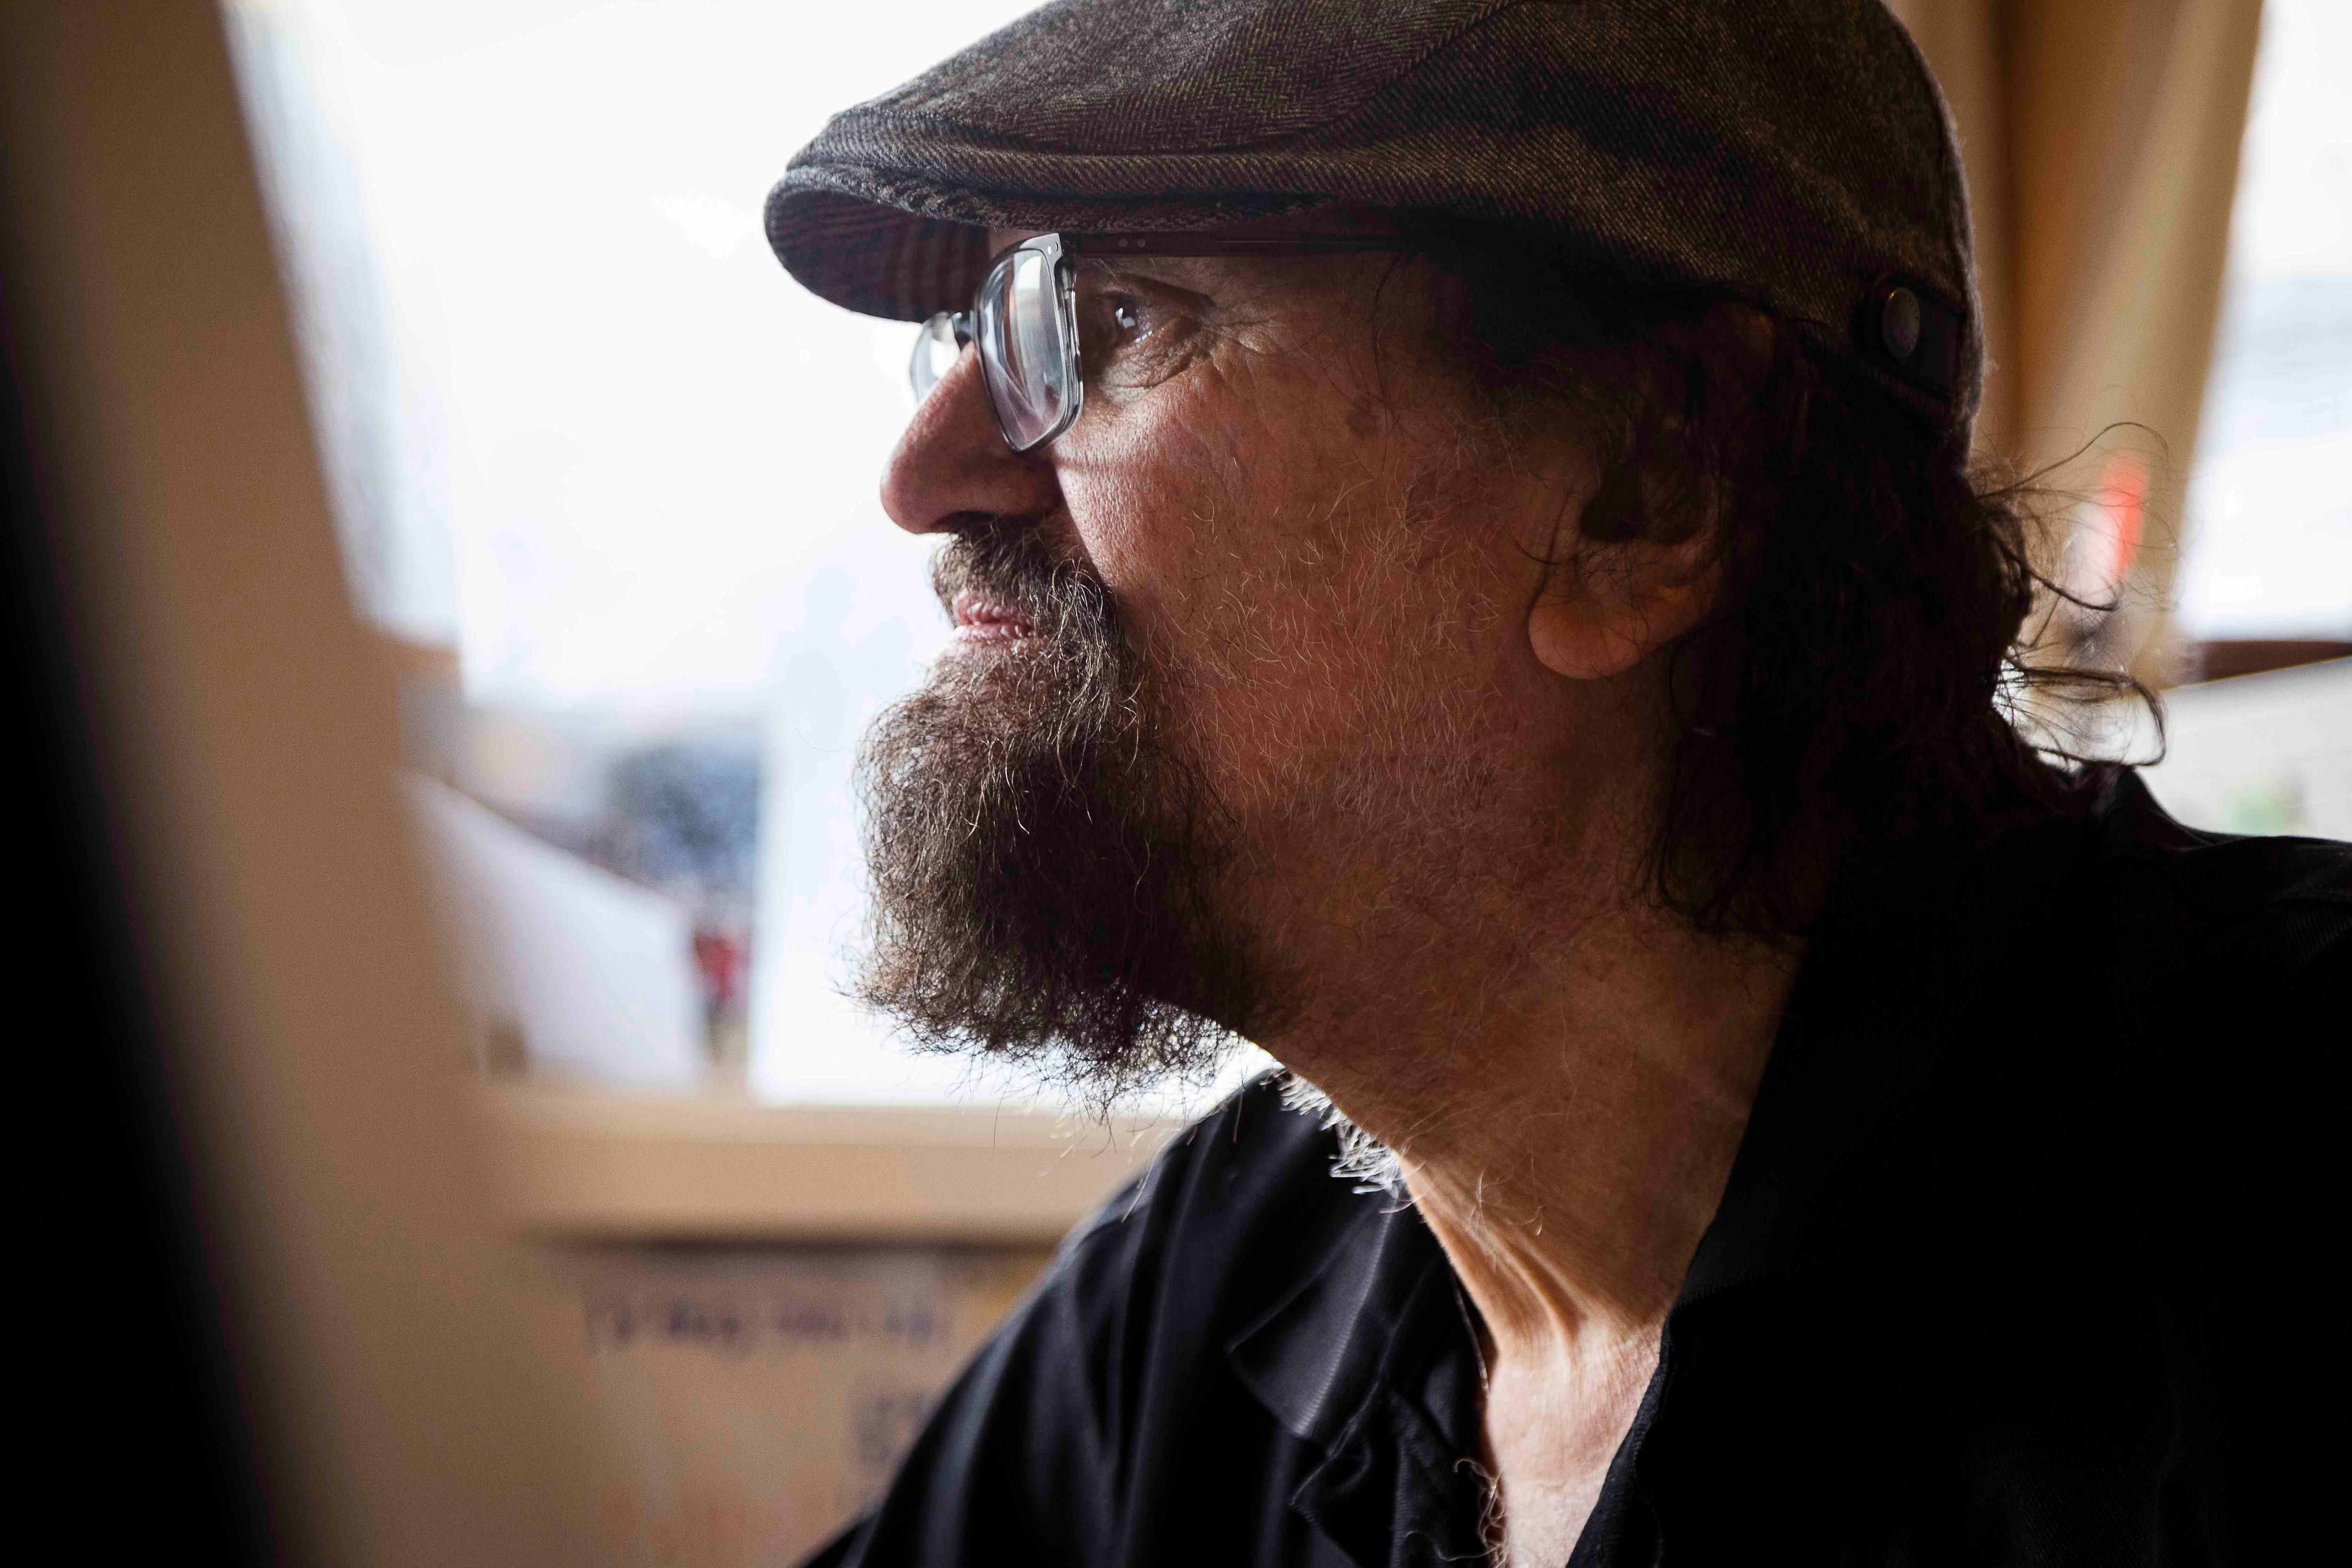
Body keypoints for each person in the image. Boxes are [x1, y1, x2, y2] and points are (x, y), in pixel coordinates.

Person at [764, 2, 2350, 1563]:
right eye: (970, 336)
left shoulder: (2288, 1190)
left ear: (1648, 491)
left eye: (1107, 324)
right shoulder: (1210, 1290)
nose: (922, 477)